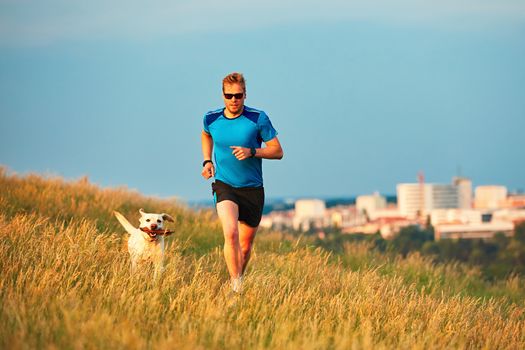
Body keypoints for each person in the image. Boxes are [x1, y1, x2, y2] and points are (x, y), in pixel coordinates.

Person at [201, 72, 283, 293]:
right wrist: (207, 161)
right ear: (223, 96)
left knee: (245, 248)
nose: (234, 100)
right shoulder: (211, 118)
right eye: (229, 96)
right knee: (231, 233)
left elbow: (278, 151)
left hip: (253, 189)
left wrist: (252, 152)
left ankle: (236, 279)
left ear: (245, 94)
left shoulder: (258, 118)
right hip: (225, 185)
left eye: (238, 95)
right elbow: (206, 134)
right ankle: (236, 288)